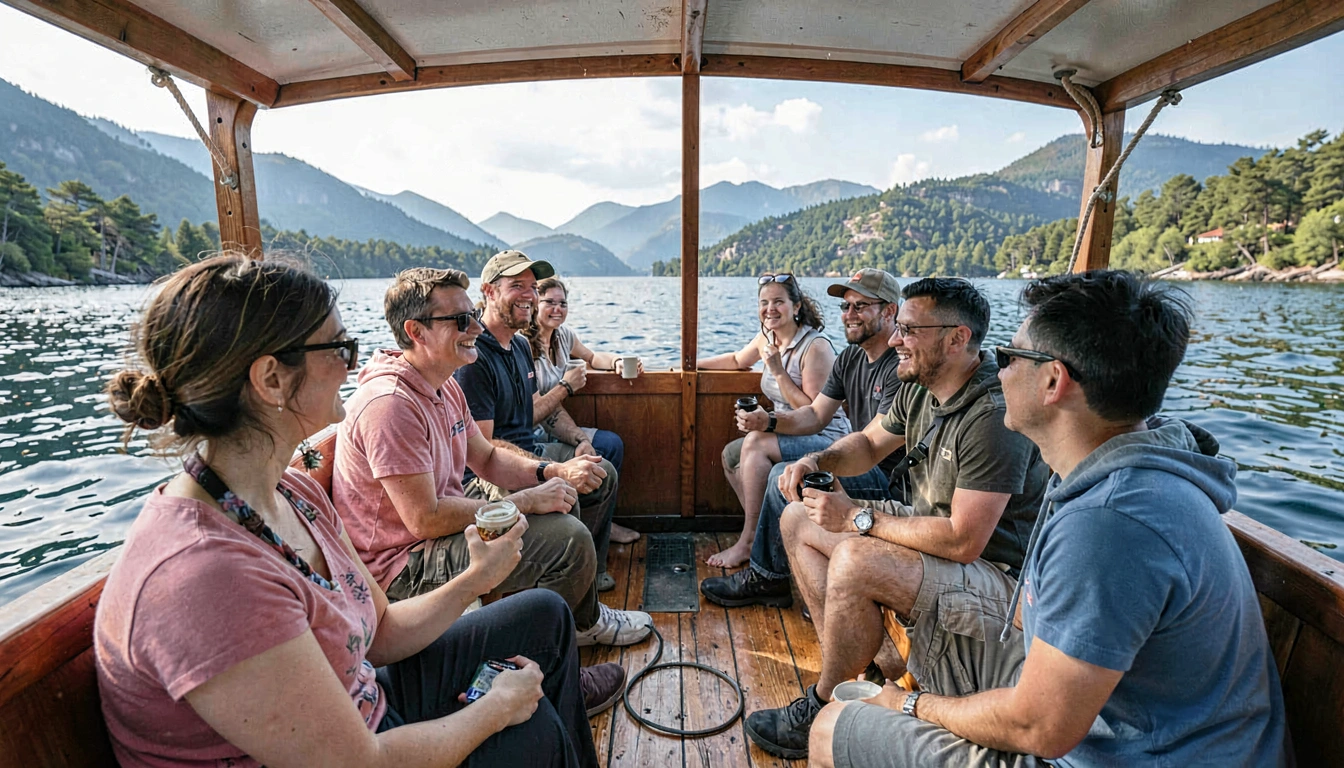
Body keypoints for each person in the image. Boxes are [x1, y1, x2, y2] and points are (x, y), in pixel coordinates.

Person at [96, 255, 604, 768]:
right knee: (531, 729)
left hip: (362, 694)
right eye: (340, 347)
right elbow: (360, 762)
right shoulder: (207, 575)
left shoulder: (294, 492)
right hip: (359, 747)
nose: (353, 364)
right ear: (271, 379)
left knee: (544, 616)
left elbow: (380, 634)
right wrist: (495, 709)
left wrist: (477, 579)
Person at [810, 270, 1288, 768]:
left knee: (831, 728)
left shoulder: (1108, 524)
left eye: (1010, 357)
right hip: (1109, 721)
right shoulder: (1109, 472)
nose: (997, 371)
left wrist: (909, 705)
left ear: (1053, 381)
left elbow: (1039, 728)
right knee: (924, 640)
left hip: (1117, 756)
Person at [743, 277, 1050, 759]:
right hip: (935, 533)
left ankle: (824, 701)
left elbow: (964, 540)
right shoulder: (922, 385)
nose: (895, 341)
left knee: (856, 560)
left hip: (995, 574)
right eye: (899, 327)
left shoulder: (991, 414)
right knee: (799, 520)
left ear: (956, 338)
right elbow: (868, 444)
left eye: (909, 330)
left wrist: (858, 518)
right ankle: (864, 668)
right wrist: (818, 460)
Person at [334, 266, 652, 653]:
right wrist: (524, 501)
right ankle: (564, 639)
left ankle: (569, 624)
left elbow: (486, 457)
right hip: (402, 564)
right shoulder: (391, 406)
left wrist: (551, 471)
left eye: (473, 314)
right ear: (416, 332)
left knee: (566, 497)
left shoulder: (443, 385)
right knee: (568, 540)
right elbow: (425, 519)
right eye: (461, 320)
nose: (476, 327)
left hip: (434, 527)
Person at [699, 269, 906, 606]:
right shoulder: (852, 356)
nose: (849, 314)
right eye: (846, 306)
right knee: (776, 468)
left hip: (886, 479)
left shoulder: (900, 365)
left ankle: (767, 578)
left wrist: (814, 459)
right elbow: (814, 414)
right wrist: (769, 421)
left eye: (860, 306)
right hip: (858, 460)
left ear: (889, 311)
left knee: (783, 474)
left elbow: (870, 445)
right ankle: (773, 563)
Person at [454, 250, 630, 599]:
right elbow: (483, 451)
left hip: (531, 450)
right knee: (565, 489)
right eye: (517, 286)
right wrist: (550, 470)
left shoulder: (520, 347)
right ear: (489, 291)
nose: (529, 296)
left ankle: (590, 574)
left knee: (602, 470)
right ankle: (568, 598)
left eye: (533, 287)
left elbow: (542, 411)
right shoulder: (475, 357)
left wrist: (579, 440)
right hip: (492, 475)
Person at [696, 273, 846, 567]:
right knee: (731, 455)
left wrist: (777, 370)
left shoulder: (815, 347)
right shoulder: (768, 336)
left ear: (796, 306)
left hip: (826, 437)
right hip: (787, 430)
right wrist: (686, 364)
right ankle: (768, 534)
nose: (770, 309)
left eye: (778, 301)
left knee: (754, 443)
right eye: (764, 302)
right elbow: (738, 360)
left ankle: (749, 540)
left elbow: (813, 412)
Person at [522, 274, 639, 545]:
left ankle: (602, 523)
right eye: (549, 302)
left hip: (557, 425)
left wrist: (617, 361)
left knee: (611, 445)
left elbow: (592, 357)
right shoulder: (522, 346)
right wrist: (566, 386)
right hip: (532, 435)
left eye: (563, 303)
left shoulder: (563, 336)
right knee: (599, 453)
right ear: (534, 304)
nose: (557, 309)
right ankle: (582, 531)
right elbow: (531, 412)